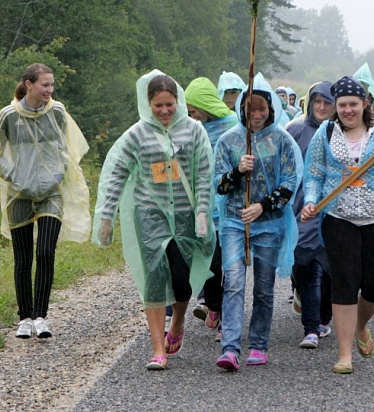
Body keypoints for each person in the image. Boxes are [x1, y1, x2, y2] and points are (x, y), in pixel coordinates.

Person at [93, 70, 215, 371]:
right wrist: (106, 217)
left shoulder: (194, 131)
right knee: (154, 277)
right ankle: (158, 347)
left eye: (169, 104)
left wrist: (202, 211)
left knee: (181, 277)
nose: (164, 111)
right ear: (148, 104)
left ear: (178, 101)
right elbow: (117, 174)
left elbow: (203, 173)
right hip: (150, 214)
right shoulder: (136, 134)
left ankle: (178, 322)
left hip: (185, 214)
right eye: (158, 105)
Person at [301, 75, 374, 374]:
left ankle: (361, 325)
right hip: (338, 218)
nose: (347, 110)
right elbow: (313, 173)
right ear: (335, 106)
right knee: (344, 281)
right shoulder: (326, 133)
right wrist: (311, 201)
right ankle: (344, 354)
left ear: (364, 103)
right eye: (342, 105)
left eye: (353, 104)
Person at [0, 63, 91, 340]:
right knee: (23, 258)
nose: (49, 90)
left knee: (45, 252)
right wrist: (14, 176)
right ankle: (25, 318)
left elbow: (66, 147)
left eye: (52, 85)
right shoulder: (7, 116)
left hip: (51, 193)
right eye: (45, 85)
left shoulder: (57, 111)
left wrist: (57, 172)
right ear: (28, 84)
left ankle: (41, 316)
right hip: (19, 195)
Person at [213, 73, 302, 371]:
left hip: (270, 224)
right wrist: (238, 171)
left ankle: (259, 343)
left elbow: (290, 181)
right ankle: (230, 347)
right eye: (251, 109)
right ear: (242, 110)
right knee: (234, 282)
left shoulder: (282, 140)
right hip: (234, 222)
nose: (257, 115)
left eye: (262, 108)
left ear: (271, 108)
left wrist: (263, 206)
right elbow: (219, 186)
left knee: (263, 287)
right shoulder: (229, 141)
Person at [184, 77, 240, 339]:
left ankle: (226, 319)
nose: (190, 114)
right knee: (208, 262)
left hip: (230, 207)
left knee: (228, 264)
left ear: (203, 105)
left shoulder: (233, 125)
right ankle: (214, 306)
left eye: (192, 109)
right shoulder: (196, 130)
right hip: (204, 207)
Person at [285, 81, 335, 348]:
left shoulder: (342, 133)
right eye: (317, 101)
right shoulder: (294, 130)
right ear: (309, 102)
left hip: (333, 211)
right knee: (306, 263)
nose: (322, 107)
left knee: (328, 270)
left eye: (327, 102)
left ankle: (321, 319)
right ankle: (312, 326)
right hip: (300, 210)